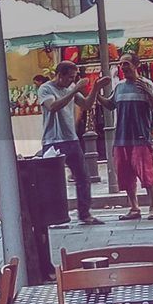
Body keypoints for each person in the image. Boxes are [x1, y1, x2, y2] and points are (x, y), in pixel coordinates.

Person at [37, 61, 108, 226]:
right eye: (69, 77)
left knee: (83, 177)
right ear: (59, 75)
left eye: (74, 77)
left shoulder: (71, 87)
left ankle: (84, 213)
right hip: (53, 140)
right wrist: (75, 89)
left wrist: (95, 88)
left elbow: (86, 104)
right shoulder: (46, 89)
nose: (71, 80)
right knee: (53, 181)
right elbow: (53, 106)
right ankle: (55, 215)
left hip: (71, 138)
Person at [97, 55, 153, 220]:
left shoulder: (146, 84)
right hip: (121, 138)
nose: (123, 67)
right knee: (125, 175)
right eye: (121, 64)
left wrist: (148, 92)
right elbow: (110, 104)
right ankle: (134, 207)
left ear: (136, 65)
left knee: (147, 173)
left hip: (141, 136)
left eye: (126, 64)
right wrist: (95, 93)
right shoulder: (119, 86)